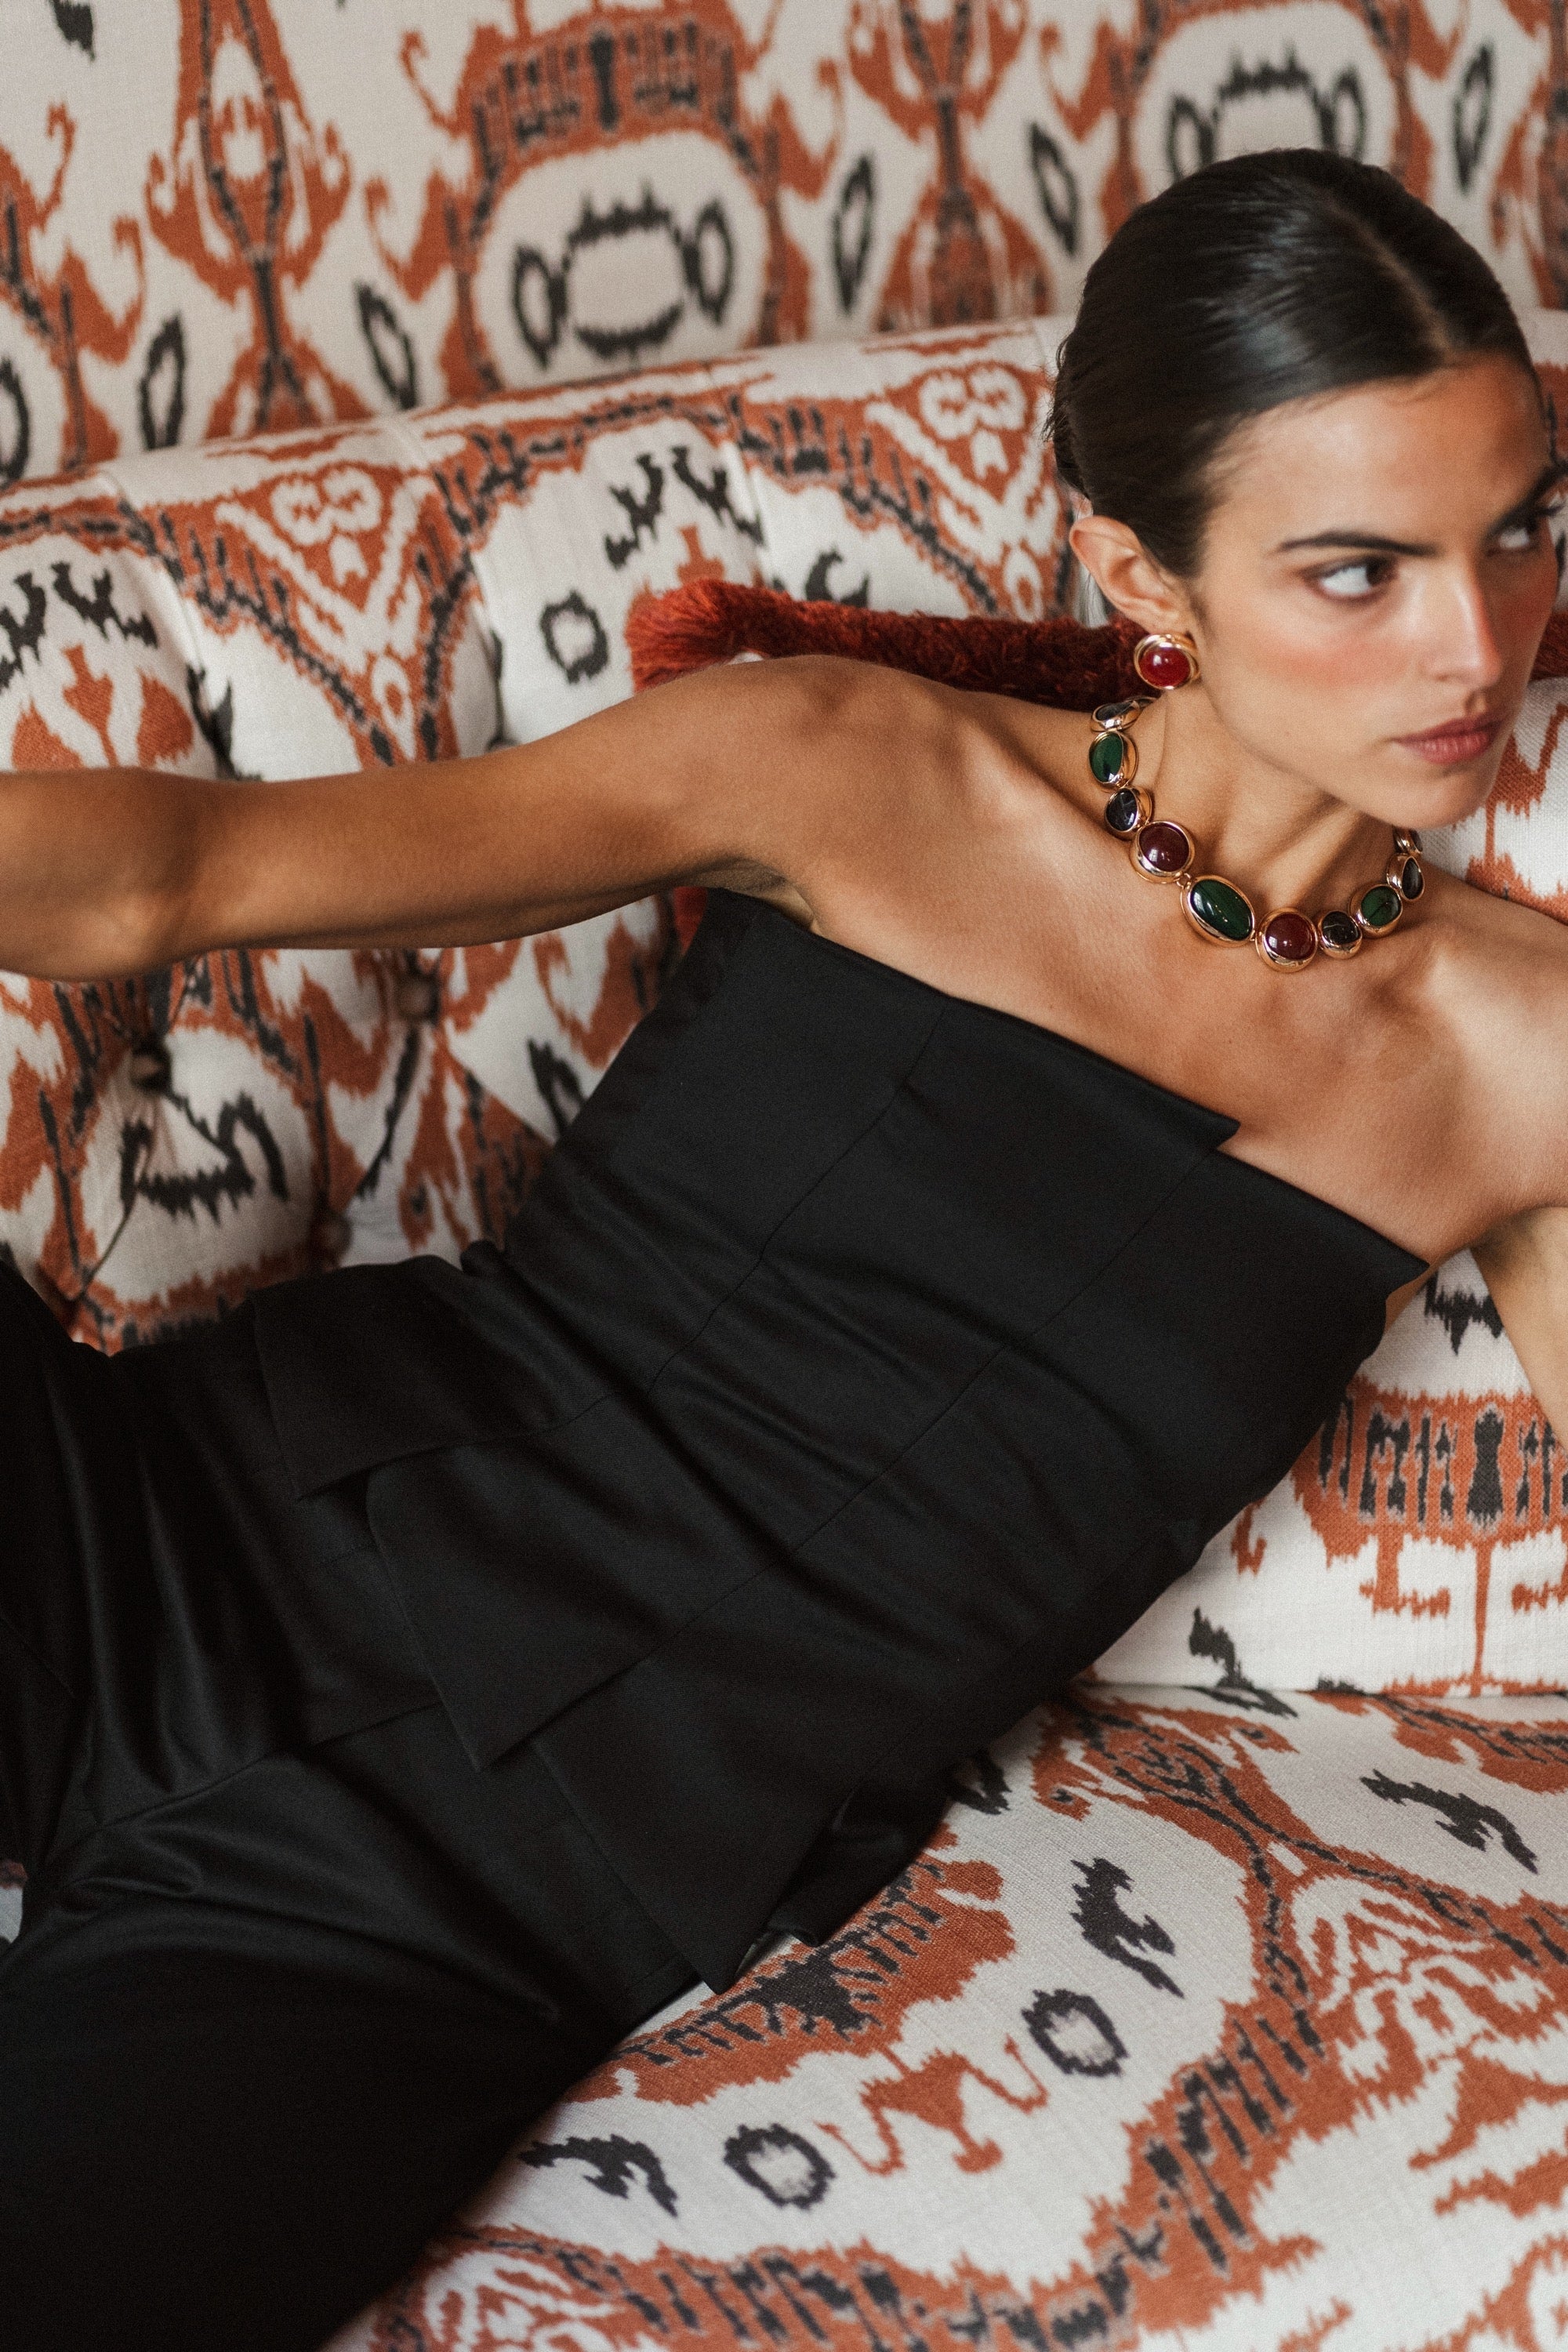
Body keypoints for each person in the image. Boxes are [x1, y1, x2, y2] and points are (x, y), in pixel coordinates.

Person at [2, 145, 1566, 2350]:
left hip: (489, 1892)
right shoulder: (853, 765)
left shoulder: (1524, 1060)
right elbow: (180, 873)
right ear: (1143, 568)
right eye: (1359, 571)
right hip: (198, 1531)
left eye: (1523, 528)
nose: (1478, 645)